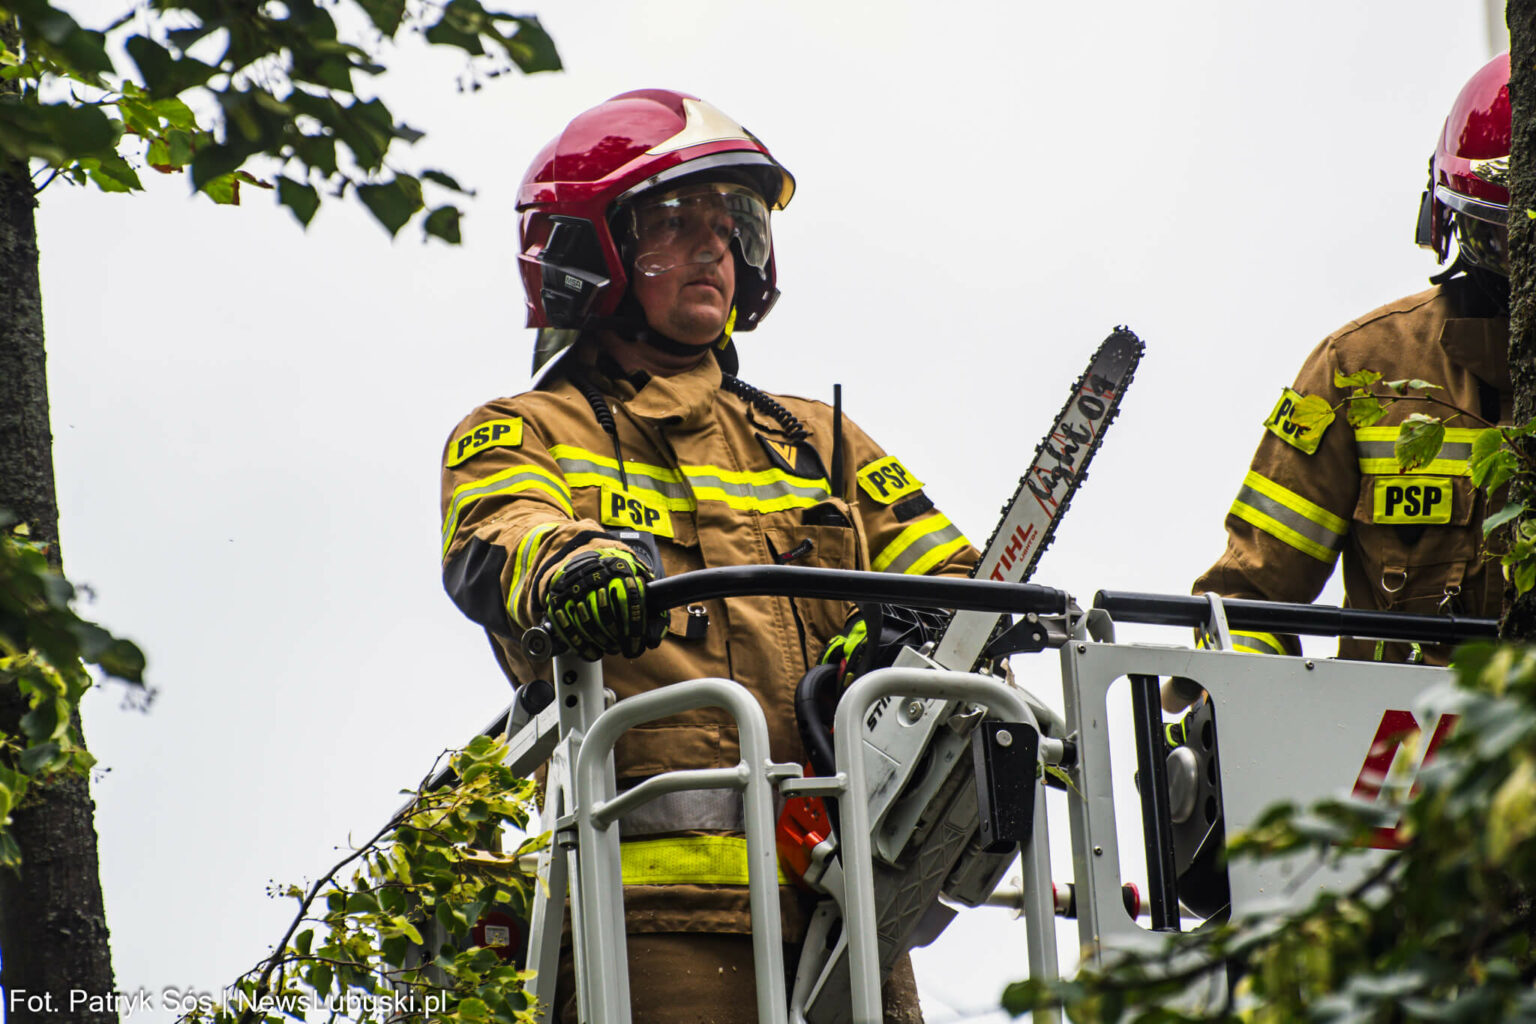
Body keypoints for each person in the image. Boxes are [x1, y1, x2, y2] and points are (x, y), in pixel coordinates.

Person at [438, 88, 976, 1023]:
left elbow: (960, 585)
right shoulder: (522, 432)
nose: (714, 252)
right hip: (649, 931)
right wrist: (573, 569)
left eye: (730, 230)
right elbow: (503, 534)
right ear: (587, 249)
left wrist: (954, 626)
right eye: (676, 226)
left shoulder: (820, 440)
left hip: (853, 910)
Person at [1190, 52, 1512, 669]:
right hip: (1402, 756)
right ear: (1448, 214)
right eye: (1499, 237)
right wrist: (1235, 707)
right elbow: (1247, 600)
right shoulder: (1361, 371)